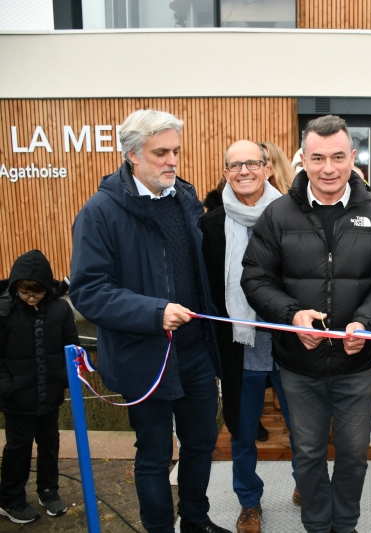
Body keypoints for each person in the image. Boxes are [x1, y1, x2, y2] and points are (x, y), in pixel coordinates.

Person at [241, 115, 371, 533]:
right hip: (299, 365)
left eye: (337, 157)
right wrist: (292, 315)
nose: (328, 168)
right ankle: (316, 525)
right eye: (317, 158)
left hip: (358, 363)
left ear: (352, 158)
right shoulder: (277, 215)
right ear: (303, 160)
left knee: (353, 455)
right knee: (308, 453)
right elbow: (255, 278)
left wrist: (367, 322)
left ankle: (345, 525)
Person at [70, 109, 229, 533]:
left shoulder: (185, 199)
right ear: (132, 155)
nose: (172, 160)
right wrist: (154, 312)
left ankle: (195, 520)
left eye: (176, 150)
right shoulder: (100, 212)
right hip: (147, 357)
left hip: (195, 354)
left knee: (200, 445)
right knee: (155, 456)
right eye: (161, 152)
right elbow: (87, 292)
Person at [200, 140, 283, 532]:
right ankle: (249, 502)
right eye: (235, 165)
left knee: (305, 429)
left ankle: (308, 486)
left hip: (288, 344)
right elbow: (208, 290)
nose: (244, 171)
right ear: (226, 172)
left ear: (267, 167)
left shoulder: (291, 214)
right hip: (240, 346)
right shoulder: (211, 225)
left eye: (252, 163)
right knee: (242, 432)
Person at [0, 250, 77, 523]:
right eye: (24, 293)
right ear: (15, 288)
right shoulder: (4, 312)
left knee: (49, 442)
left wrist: (69, 378)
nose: (31, 298)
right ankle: (10, 498)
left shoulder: (60, 309)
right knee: (18, 448)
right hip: (17, 398)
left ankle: (48, 489)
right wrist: (6, 387)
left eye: (37, 293)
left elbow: (72, 347)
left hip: (50, 394)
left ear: (47, 287)